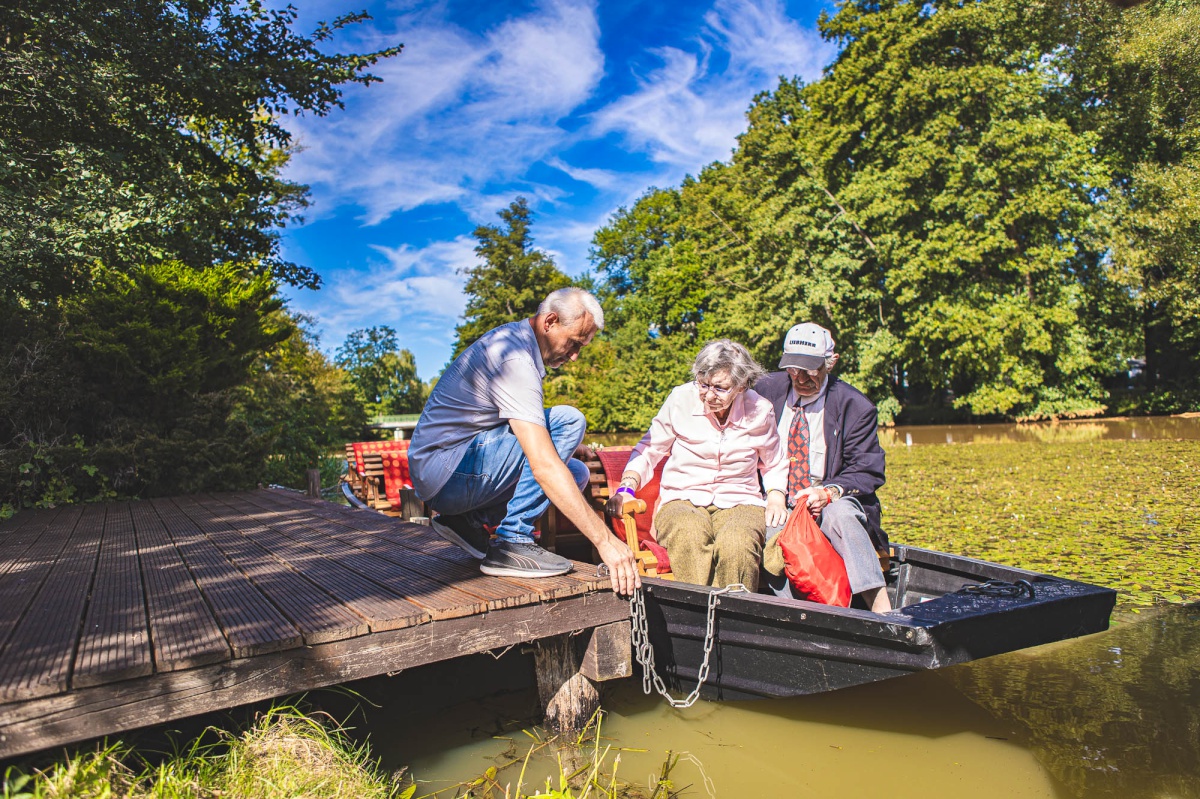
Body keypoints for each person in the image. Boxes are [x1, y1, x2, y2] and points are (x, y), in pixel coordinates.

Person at [408, 287, 640, 595]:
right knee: (569, 420)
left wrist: (568, 447)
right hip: (447, 471)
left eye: (581, 347)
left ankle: (466, 521)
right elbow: (542, 465)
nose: (574, 356)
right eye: (574, 342)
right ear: (550, 322)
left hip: (444, 475)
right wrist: (606, 541)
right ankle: (513, 541)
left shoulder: (513, 343)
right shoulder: (514, 358)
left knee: (576, 472)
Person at [605, 340, 788, 590]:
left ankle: (734, 611)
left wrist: (776, 495)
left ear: (742, 385)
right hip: (681, 499)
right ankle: (698, 610)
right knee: (689, 535)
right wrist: (626, 488)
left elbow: (774, 462)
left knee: (738, 544)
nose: (709, 395)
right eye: (703, 384)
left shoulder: (760, 409)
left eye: (720, 388)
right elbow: (649, 450)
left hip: (741, 500)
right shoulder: (681, 399)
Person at [754, 322, 892, 612]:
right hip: (776, 499)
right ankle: (803, 613)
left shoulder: (856, 406)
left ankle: (883, 610)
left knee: (842, 515)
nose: (801, 378)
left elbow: (867, 469)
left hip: (829, 500)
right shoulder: (764, 390)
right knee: (771, 530)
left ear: (831, 363)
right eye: (794, 369)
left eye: (810, 370)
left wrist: (827, 493)